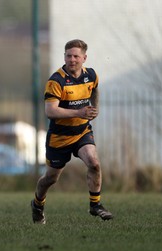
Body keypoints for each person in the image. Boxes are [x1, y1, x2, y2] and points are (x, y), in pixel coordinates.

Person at [31, 39, 113, 224]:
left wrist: (95, 108)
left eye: (76, 56)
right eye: (68, 56)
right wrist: (79, 112)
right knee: (51, 179)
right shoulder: (56, 81)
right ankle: (37, 204)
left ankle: (95, 205)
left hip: (82, 131)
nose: (72, 60)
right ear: (64, 57)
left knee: (94, 163)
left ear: (84, 58)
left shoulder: (91, 75)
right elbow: (50, 111)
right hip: (59, 138)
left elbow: (95, 89)